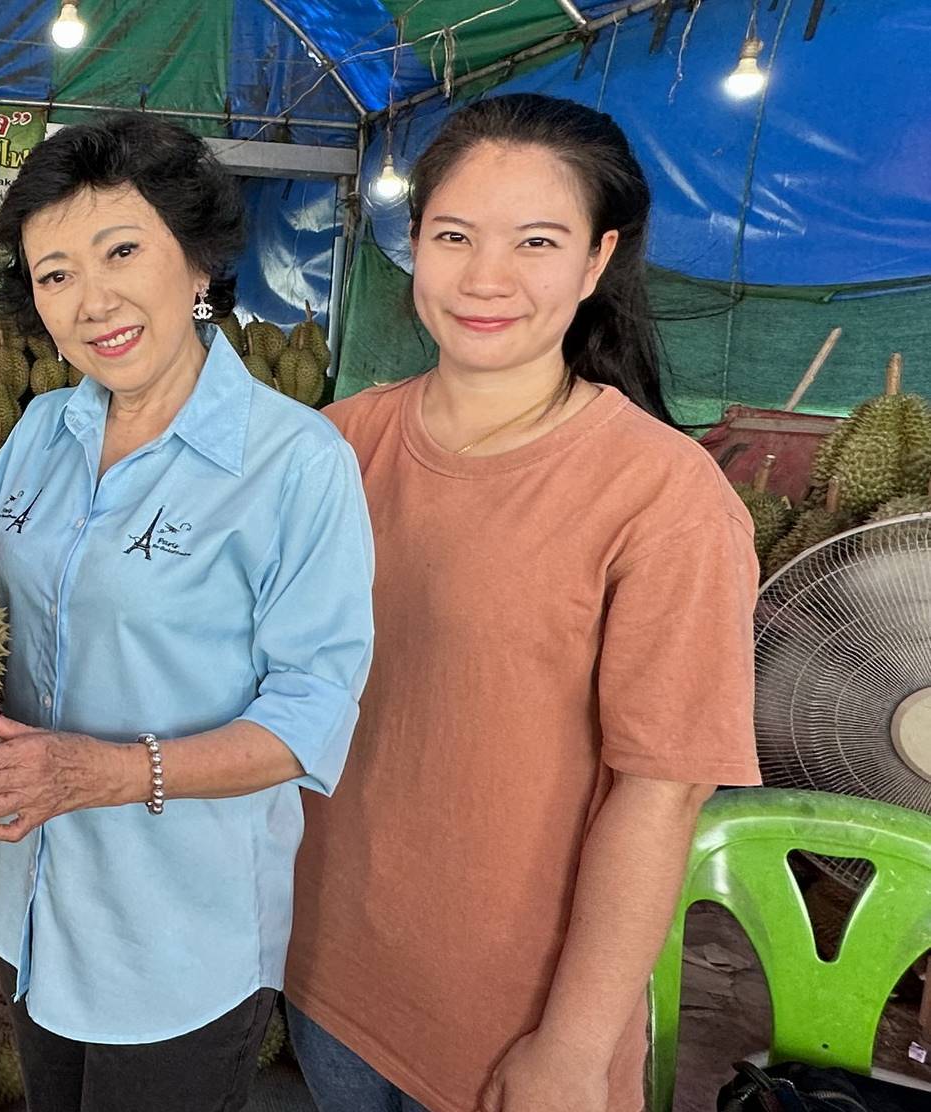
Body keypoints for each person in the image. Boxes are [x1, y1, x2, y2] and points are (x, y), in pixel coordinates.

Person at [0, 111, 376, 1112]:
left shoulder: (294, 462)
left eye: (120, 250)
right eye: (54, 274)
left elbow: (309, 715)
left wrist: (109, 770)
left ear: (198, 260)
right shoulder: (46, 426)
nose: (92, 300)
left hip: (177, 939)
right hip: (33, 908)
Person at [285, 93, 762, 1112]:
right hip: (323, 976)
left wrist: (574, 1042)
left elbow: (660, 789)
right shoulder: (329, 448)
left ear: (595, 261)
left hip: (513, 1021)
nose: (484, 278)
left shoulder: (662, 496)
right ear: (411, 245)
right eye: (452, 235)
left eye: (533, 241)